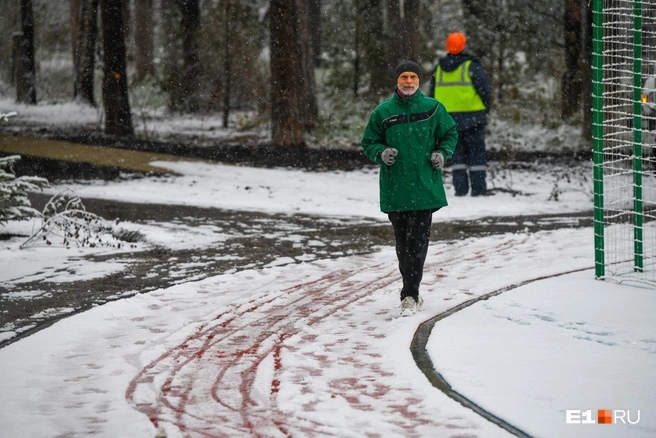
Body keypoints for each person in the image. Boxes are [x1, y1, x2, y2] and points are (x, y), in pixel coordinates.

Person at [361, 60, 458, 317]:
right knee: (402, 245)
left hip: (425, 187)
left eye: (413, 77)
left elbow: (450, 133)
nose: (408, 81)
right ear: (397, 81)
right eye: (403, 76)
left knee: (417, 243)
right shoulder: (383, 112)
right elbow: (369, 142)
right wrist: (381, 152)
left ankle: (410, 295)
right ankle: (411, 289)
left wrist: (442, 152)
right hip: (396, 188)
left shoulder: (433, 108)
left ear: (419, 81)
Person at [430, 32, 492, 197]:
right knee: (476, 153)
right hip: (474, 117)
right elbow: (485, 91)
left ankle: (460, 189)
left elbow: (431, 95)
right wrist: (485, 109)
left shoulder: (439, 69)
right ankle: (479, 189)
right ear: (463, 46)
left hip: (448, 120)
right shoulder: (471, 66)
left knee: (457, 155)